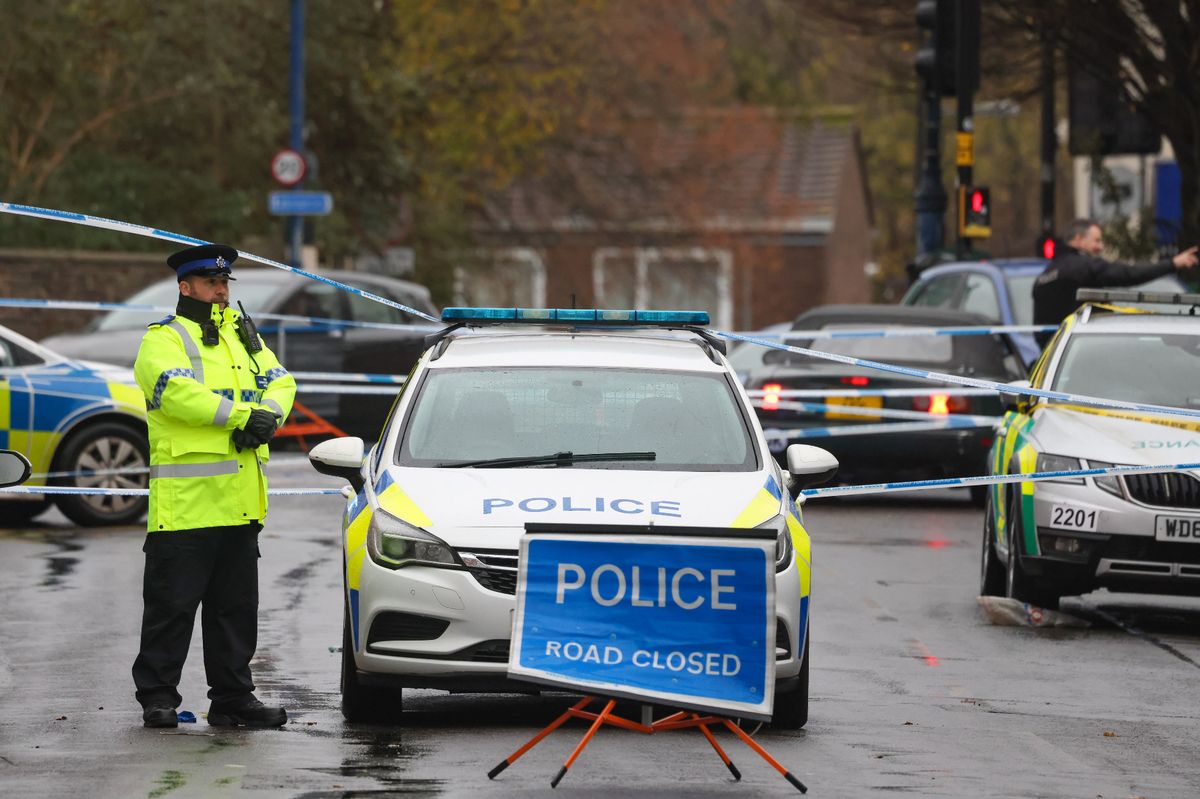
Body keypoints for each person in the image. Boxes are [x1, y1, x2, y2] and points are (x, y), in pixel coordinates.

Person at [131, 244, 297, 729]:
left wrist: (269, 418)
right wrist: (247, 416)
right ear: (186, 287)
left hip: (242, 504)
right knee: (171, 610)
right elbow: (175, 394)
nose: (221, 291)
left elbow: (282, 381)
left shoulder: (243, 338)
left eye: (225, 283)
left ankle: (233, 699)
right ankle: (158, 698)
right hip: (186, 506)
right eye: (211, 283)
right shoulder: (165, 339)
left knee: (235, 612)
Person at [1032, 219, 1199, 345]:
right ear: (1079, 239)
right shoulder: (1084, 266)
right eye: (1097, 241)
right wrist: (1173, 263)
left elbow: (1039, 331)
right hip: (1085, 349)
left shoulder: (1044, 275)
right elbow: (1128, 274)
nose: (1101, 247)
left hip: (1054, 355)